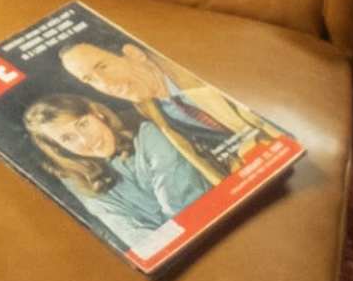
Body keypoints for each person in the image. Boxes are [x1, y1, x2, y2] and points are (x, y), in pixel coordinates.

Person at [15, 89, 210, 255]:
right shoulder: (78, 182)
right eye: (68, 138)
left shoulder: (147, 133)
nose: (85, 140)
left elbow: (184, 205)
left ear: (96, 114)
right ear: (59, 148)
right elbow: (141, 241)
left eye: (83, 124)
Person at [57, 36, 272, 186]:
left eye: (102, 67)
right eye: (89, 79)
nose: (104, 84)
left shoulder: (198, 62)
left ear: (135, 54)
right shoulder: (146, 108)